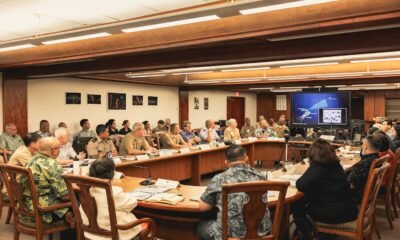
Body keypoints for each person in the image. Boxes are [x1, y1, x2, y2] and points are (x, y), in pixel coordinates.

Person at [198, 145, 271, 239]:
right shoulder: (260, 176)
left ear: (226, 163)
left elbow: (203, 207)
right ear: (247, 159)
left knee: (202, 226)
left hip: (230, 235)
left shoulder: (220, 179)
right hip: (261, 233)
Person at [293, 139, 358, 238]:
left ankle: (309, 236)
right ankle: (324, 235)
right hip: (349, 209)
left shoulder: (318, 166)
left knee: (297, 208)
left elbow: (300, 184)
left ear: (312, 154)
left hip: (335, 214)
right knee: (306, 200)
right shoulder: (336, 165)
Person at [20, 137, 75, 239]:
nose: (60, 149)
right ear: (53, 151)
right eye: (60, 147)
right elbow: (64, 196)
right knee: (77, 205)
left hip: (27, 206)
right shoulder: (52, 164)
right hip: (43, 211)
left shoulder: (31, 160)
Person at [81, 158, 142, 240]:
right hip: (112, 236)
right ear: (111, 173)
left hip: (89, 235)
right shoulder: (114, 192)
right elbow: (133, 203)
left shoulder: (88, 191)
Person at [348, 134, 381, 203]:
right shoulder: (377, 160)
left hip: (354, 197)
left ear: (365, 147)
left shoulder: (362, 164)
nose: (362, 147)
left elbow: (350, 185)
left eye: (362, 145)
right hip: (365, 193)